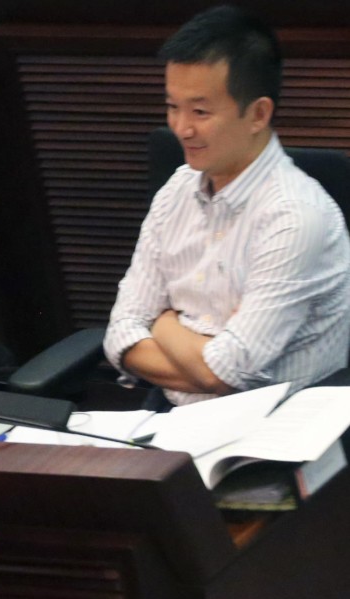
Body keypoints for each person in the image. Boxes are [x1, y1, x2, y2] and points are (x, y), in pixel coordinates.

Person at [104, 4, 350, 408]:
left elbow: (226, 372)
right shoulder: (176, 192)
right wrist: (198, 351)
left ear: (257, 114)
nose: (181, 128)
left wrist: (163, 323)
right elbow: (120, 334)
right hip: (169, 419)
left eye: (200, 111)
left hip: (274, 432)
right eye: (172, 107)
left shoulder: (297, 217)